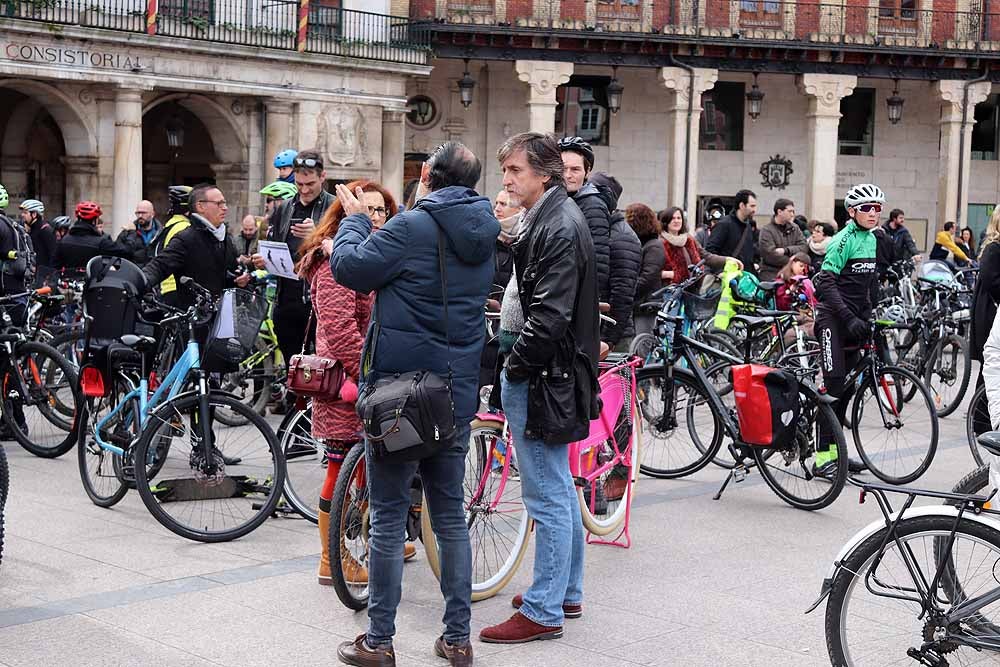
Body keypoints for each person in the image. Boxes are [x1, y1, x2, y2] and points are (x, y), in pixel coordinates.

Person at [329, 141, 496, 667]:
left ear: (426, 175)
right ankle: (458, 638)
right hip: (454, 393)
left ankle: (378, 641)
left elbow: (350, 269)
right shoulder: (485, 232)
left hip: (401, 397)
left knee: (386, 515)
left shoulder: (411, 226)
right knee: (449, 515)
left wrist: (355, 221)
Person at [479, 132, 599, 646]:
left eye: (515, 171)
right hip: (555, 374)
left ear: (544, 174)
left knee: (546, 494)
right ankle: (564, 591)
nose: (506, 179)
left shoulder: (558, 223)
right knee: (559, 489)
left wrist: (514, 369)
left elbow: (548, 317)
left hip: (544, 375)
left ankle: (545, 607)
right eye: (504, 170)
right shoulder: (550, 216)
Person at [297, 180, 407, 591]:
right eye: (368, 210)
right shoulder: (334, 262)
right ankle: (332, 558)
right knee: (339, 466)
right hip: (346, 381)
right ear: (346, 214)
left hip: (372, 377)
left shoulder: (376, 257)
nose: (376, 218)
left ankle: (378, 540)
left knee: (371, 466)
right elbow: (341, 331)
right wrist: (369, 373)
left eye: (382, 211)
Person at [814, 183, 884, 476]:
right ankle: (822, 459)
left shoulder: (871, 239)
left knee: (847, 389)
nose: (873, 213)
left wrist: (869, 316)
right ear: (853, 211)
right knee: (833, 388)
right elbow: (825, 283)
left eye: (878, 208)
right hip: (833, 320)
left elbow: (867, 285)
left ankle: (838, 453)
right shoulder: (843, 240)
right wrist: (847, 317)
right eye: (867, 208)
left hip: (855, 320)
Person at [253, 150, 333, 402]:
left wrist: (317, 232)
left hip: (321, 304)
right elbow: (276, 245)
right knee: (294, 372)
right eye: (299, 184)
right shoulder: (285, 208)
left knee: (321, 373)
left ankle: (316, 425)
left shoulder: (334, 207)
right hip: (286, 301)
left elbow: (347, 250)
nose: (304, 190)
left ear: (323, 177)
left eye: (310, 184)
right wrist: (264, 259)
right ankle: (294, 430)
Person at [142, 185, 249, 303]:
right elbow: (158, 267)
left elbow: (230, 273)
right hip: (192, 315)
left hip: (222, 314)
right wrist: (135, 285)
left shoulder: (225, 238)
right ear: (200, 206)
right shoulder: (186, 238)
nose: (225, 208)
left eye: (224, 203)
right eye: (219, 204)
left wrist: (241, 278)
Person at [590, 171, 639, 351]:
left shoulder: (622, 237)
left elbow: (622, 295)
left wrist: (608, 340)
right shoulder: (600, 229)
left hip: (612, 337)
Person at [558, 136, 611, 301]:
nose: (568, 175)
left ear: (587, 172)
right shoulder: (562, 200)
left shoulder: (593, 206)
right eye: (563, 168)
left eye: (575, 169)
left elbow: (598, 261)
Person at [481, 189, 522, 387]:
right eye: (496, 203)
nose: (496, 209)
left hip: (511, 331)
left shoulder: (526, 242)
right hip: (485, 329)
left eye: (503, 204)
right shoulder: (486, 241)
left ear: (520, 209)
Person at [970, 208, 1000, 435]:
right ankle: (981, 422)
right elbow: (992, 282)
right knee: (989, 369)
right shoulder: (993, 249)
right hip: (990, 312)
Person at [53, 201, 129, 273]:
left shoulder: (64, 241)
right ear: (94, 221)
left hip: (69, 284)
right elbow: (126, 252)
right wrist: (130, 232)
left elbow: (54, 267)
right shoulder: (101, 242)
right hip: (93, 284)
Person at [659, 206, 728, 285]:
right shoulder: (660, 243)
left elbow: (706, 256)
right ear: (666, 221)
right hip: (668, 291)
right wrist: (670, 274)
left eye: (679, 218)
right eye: (672, 218)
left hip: (690, 289)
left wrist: (727, 260)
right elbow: (651, 272)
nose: (676, 221)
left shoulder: (689, 240)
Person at [629, 204, 666, 336]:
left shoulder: (653, 246)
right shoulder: (646, 244)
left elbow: (648, 277)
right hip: (642, 303)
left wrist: (629, 290)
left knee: (643, 343)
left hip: (646, 304)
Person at [705, 189, 758, 272]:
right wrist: (720, 272)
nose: (755, 210)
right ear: (742, 205)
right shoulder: (724, 224)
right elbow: (710, 253)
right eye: (752, 206)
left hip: (744, 278)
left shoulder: (749, 226)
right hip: (726, 279)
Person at [757, 198, 807, 281]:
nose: (792, 214)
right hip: (771, 274)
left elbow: (804, 247)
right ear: (779, 212)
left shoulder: (795, 228)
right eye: (789, 211)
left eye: (793, 211)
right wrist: (793, 262)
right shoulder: (767, 230)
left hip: (793, 274)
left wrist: (786, 250)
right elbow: (769, 255)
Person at [19, 199, 56, 285]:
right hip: (32, 276)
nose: (22, 215)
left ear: (34, 214)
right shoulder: (30, 229)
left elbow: (53, 255)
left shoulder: (45, 230)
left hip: (43, 278)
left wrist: (48, 277)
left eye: (25, 212)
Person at [115, 199, 160, 267]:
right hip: (133, 274)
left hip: (154, 274)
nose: (140, 216)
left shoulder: (161, 232)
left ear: (152, 214)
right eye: (138, 213)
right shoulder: (127, 233)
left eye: (144, 213)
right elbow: (118, 254)